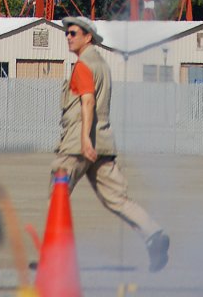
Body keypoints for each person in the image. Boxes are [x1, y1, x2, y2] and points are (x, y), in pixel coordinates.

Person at [50, 15, 170, 272]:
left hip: (77, 142)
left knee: (57, 197)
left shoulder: (83, 65)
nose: (68, 37)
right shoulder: (102, 64)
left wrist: (83, 139)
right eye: (67, 33)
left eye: (73, 33)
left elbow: (88, 102)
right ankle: (154, 234)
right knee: (117, 198)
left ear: (87, 36)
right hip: (103, 140)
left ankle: (55, 258)